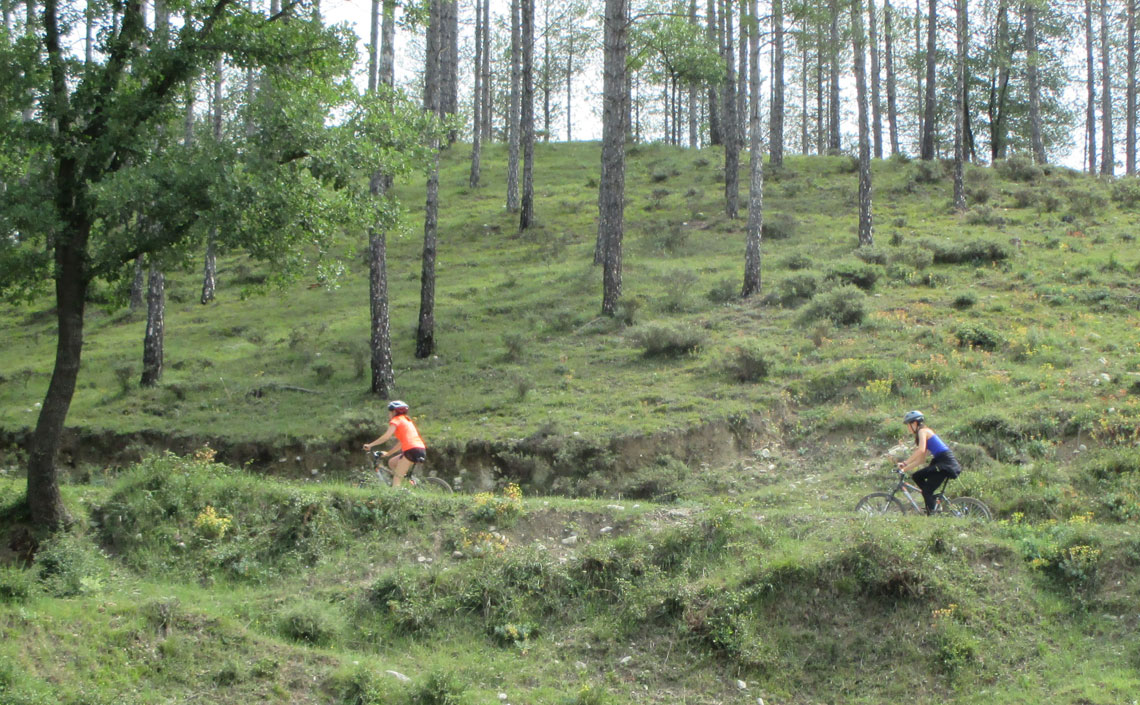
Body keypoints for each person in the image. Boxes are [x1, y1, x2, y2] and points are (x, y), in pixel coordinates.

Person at [897, 410, 961, 515]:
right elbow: (921, 460)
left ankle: (932, 514)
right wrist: (904, 469)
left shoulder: (923, 431)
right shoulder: (922, 433)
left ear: (914, 423)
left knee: (926, 491)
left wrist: (905, 462)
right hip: (940, 462)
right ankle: (932, 502)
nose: (908, 428)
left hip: (945, 463)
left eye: (908, 425)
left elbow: (921, 450)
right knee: (917, 476)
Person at [363, 400, 426, 488]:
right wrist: (388, 454)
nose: (389, 415)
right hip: (419, 449)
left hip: (411, 450)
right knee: (392, 462)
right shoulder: (407, 420)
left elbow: (386, 436)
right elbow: (401, 443)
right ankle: (408, 484)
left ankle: (397, 492)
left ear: (394, 412)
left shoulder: (396, 420)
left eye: (389, 412)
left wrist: (370, 445)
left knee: (396, 480)